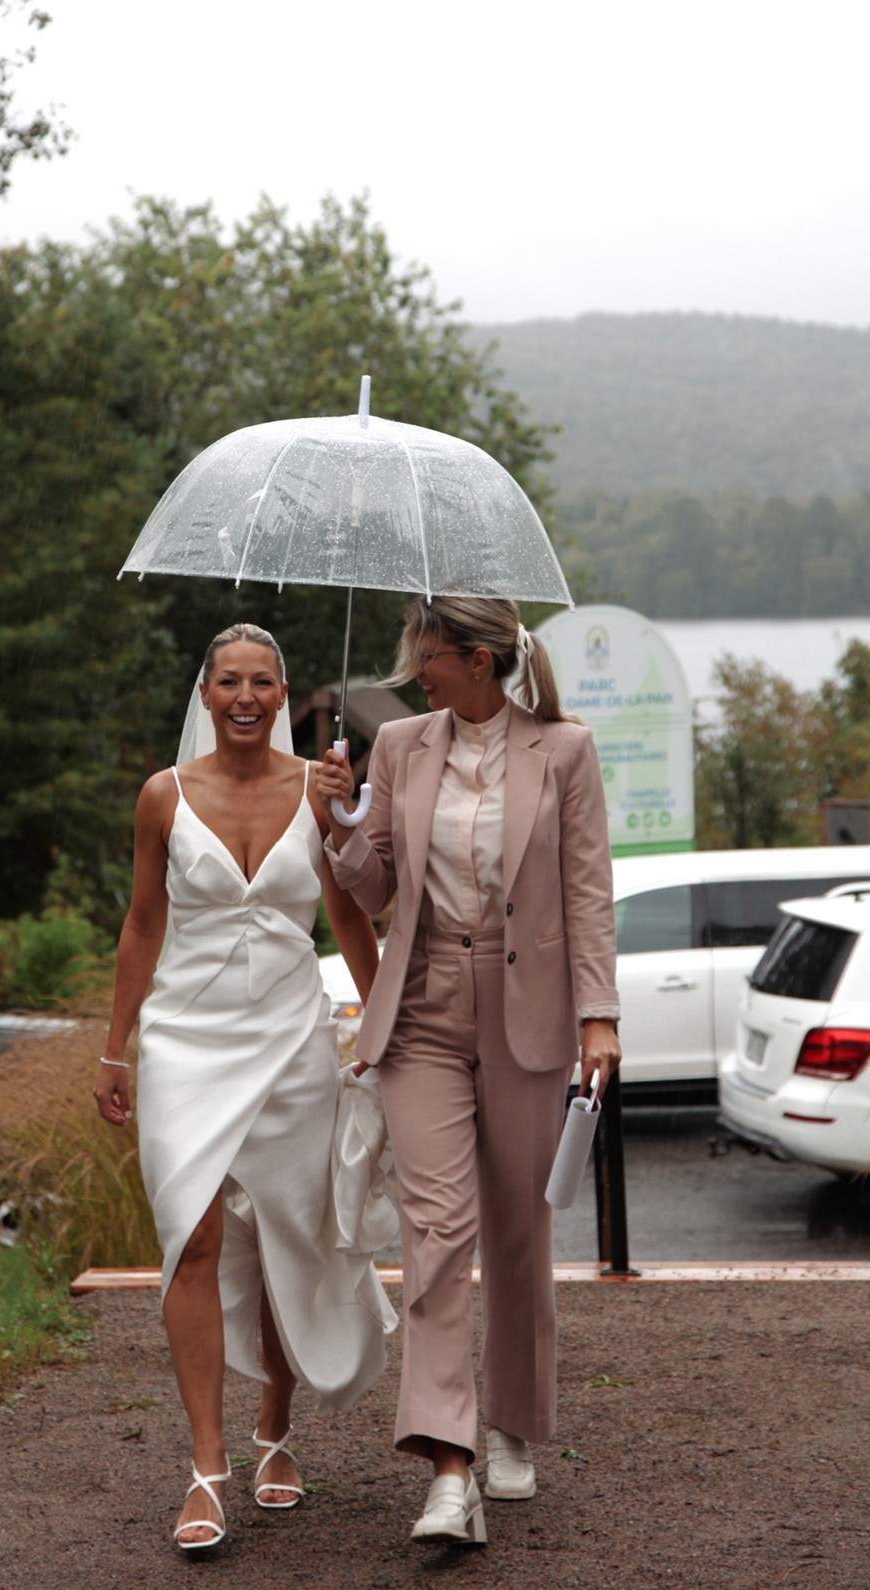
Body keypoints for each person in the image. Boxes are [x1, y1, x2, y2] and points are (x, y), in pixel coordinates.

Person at [315, 595, 621, 1548]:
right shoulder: (400, 744)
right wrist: (335, 822)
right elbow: (376, 885)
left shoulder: (564, 751)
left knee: (520, 1232)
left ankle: (515, 1424)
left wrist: (598, 1017)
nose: (417, 673)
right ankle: (450, 1467)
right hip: (422, 1006)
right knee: (436, 1230)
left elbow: (587, 890)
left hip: (528, 1011)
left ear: (481, 661)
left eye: (430, 656)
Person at [94, 622, 395, 1553]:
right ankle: (206, 1466)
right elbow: (143, 924)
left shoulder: (321, 787)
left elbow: (348, 913)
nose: (246, 698)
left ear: (283, 690)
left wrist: (386, 1027)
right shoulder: (162, 797)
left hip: (290, 1038)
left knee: (285, 1237)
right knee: (192, 1235)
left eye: (262, 681)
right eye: (229, 681)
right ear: (205, 691)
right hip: (187, 1040)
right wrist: (116, 1048)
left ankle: (277, 1430)